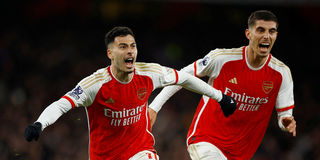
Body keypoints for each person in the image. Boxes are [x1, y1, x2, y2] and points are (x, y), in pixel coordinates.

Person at [24, 26, 237, 160]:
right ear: (110, 53)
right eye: (123, 46)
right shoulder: (95, 85)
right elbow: (62, 104)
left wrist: (220, 97)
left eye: (133, 46)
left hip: (140, 150)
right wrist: (39, 124)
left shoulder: (149, 73)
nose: (130, 51)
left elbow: (185, 78)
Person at [149, 10, 296, 160]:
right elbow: (182, 76)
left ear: (276, 35)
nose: (266, 36)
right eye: (260, 30)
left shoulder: (281, 73)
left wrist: (285, 122)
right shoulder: (222, 59)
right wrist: (154, 107)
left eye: (272, 31)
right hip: (206, 140)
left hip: (241, 153)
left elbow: (284, 116)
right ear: (248, 34)